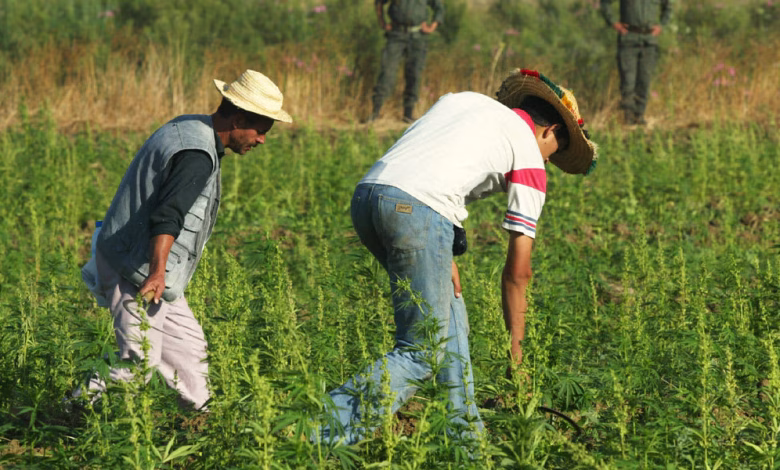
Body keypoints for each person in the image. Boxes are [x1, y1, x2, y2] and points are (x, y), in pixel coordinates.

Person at [322, 69, 598, 444]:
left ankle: (466, 442)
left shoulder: (462, 101)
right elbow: (518, 273)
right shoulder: (530, 154)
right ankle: (314, 434)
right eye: (555, 152)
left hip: (369, 197)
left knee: (452, 322)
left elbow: (427, 165)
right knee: (421, 351)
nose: (549, 162)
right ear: (550, 132)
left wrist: (441, 249)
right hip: (418, 211)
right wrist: (516, 359)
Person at [74, 70, 292, 410]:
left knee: (189, 349)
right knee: (138, 361)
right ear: (237, 119)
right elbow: (167, 215)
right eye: (260, 131)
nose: (262, 140)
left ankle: (203, 422)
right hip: (139, 269)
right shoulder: (196, 154)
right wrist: (157, 273)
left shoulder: (190, 127)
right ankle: (71, 412)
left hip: (145, 264)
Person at [368, 0, 445, 123]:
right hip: (396, 35)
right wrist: (382, 22)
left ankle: (408, 114)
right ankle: (376, 112)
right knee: (387, 72)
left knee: (414, 74)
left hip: (418, 37)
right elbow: (379, 3)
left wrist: (432, 26)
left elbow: (439, 7)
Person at [600, 0, 671, 125]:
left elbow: (668, 7)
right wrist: (614, 23)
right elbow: (605, 3)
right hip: (628, 39)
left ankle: (639, 117)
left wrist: (661, 25)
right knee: (628, 81)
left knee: (644, 80)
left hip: (649, 41)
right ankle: (628, 118)